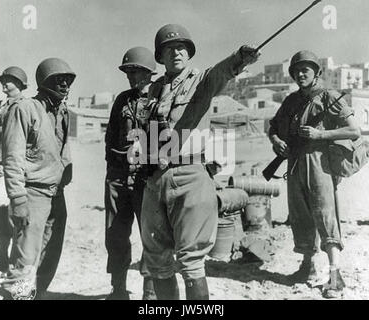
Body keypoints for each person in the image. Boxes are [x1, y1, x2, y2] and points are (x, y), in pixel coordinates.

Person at [140, 24, 260, 300]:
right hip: (156, 178)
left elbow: (222, 72)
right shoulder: (154, 90)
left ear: (189, 53)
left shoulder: (200, 81)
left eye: (181, 47)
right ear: (160, 56)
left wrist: (239, 57)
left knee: (191, 259)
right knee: (157, 257)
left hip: (190, 175)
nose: (176, 52)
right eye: (169, 49)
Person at [268, 50, 361, 299]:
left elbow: (354, 131)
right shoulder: (290, 101)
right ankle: (307, 268)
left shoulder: (330, 98)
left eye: (305, 70)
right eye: (297, 71)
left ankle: (334, 274)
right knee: (299, 216)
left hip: (320, 163)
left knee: (325, 214)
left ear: (317, 72)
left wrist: (321, 135)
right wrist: (276, 141)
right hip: (296, 163)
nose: (300, 74)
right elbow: (273, 127)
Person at [0, 58, 75, 299]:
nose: (64, 85)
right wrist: (18, 198)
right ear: (44, 82)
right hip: (32, 194)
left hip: (56, 195)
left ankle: (37, 294)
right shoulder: (24, 109)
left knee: (50, 253)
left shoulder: (63, 111)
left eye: (68, 80)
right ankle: (20, 296)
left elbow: (63, 149)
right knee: (25, 256)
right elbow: (12, 157)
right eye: (58, 80)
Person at [105, 47, 157, 300]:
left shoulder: (161, 97)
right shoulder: (122, 100)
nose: (129, 76)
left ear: (147, 72)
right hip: (118, 177)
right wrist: (112, 171)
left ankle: (150, 292)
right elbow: (110, 137)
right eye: (127, 71)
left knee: (151, 236)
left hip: (145, 181)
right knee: (115, 235)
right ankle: (118, 287)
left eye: (134, 71)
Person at [0, 67, 27, 275]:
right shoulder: (1, 105)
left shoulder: (22, 105)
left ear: (20, 83)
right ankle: (2, 257)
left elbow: (10, 138)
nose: (5, 83)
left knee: (12, 216)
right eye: (3, 80)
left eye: (10, 80)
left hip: (10, 167)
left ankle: (15, 260)